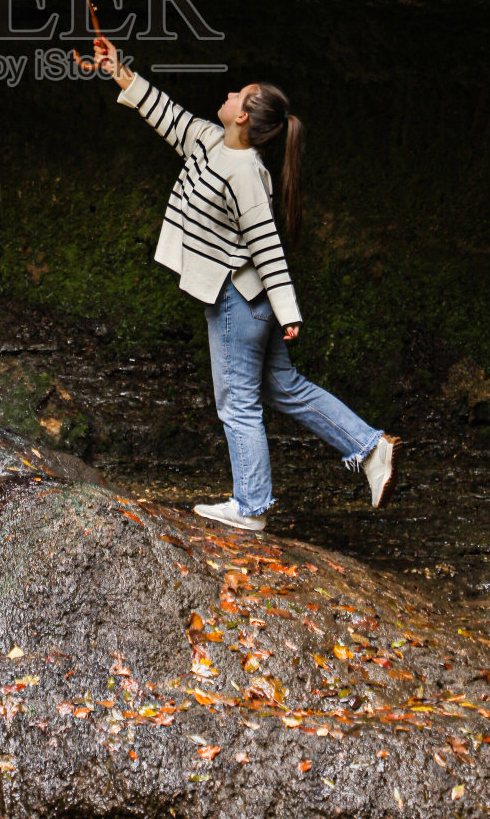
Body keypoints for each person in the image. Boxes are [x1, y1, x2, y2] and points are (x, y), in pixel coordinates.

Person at [75, 36, 399, 532]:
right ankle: (369, 446)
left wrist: (289, 312)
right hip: (247, 301)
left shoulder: (246, 173)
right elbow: (163, 112)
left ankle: (251, 507)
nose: (227, 94)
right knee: (284, 387)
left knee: (237, 403)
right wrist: (116, 68)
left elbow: (267, 244)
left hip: (240, 301)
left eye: (237, 94)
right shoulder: (209, 140)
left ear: (244, 116)